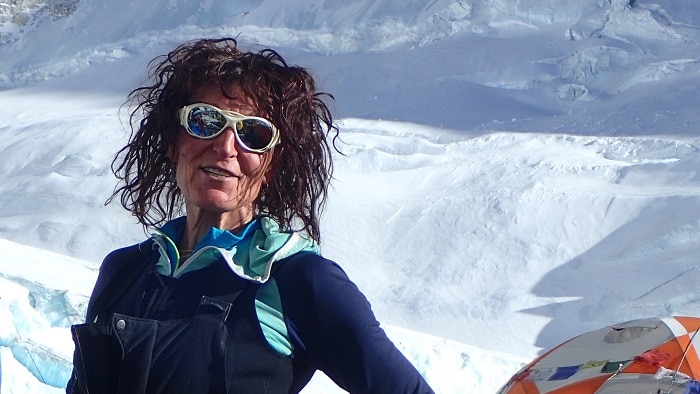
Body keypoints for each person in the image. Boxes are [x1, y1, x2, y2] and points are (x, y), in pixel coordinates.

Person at [66, 37, 434, 394]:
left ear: (271, 166)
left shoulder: (299, 282)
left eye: (253, 134)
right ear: (172, 141)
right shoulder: (124, 270)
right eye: (205, 121)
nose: (226, 147)